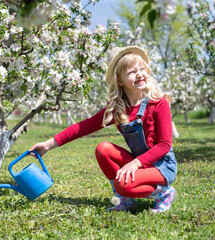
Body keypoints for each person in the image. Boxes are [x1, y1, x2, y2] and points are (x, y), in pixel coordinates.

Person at [29, 46, 177, 213]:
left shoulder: (158, 103)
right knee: (103, 149)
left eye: (142, 69)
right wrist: (48, 145)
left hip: (162, 165)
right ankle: (127, 202)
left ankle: (164, 193)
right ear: (119, 80)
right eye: (131, 72)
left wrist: (135, 164)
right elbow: (82, 127)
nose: (139, 74)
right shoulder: (118, 109)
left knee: (123, 184)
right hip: (140, 163)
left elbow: (164, 145)